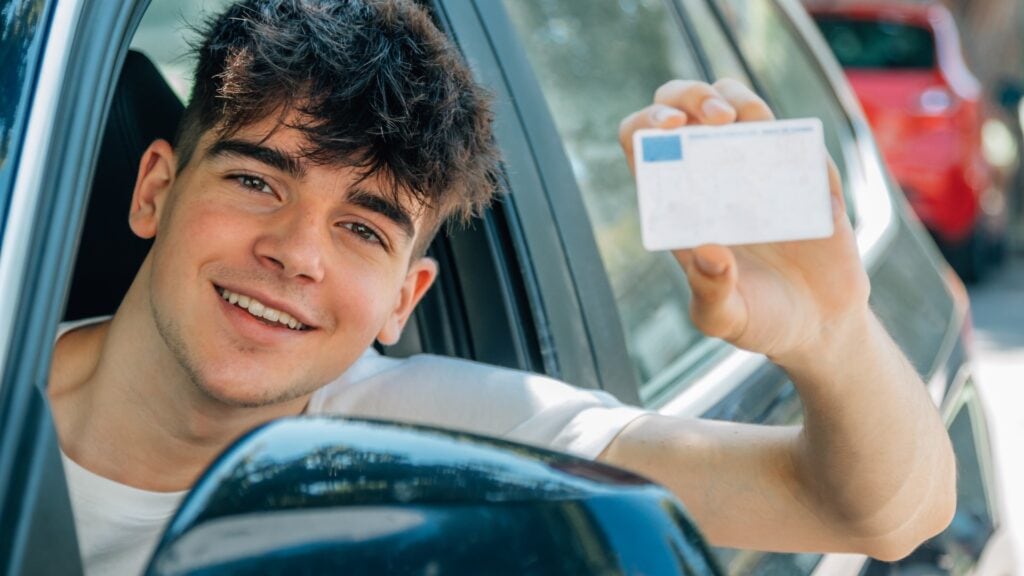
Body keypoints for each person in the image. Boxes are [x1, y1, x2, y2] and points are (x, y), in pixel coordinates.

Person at [46, 0, 956, 574]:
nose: (297, 254)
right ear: (155, 188)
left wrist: (830, 334)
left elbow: (878, 514)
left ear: (406, 300)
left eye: (363, 229)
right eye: (257, 181)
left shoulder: (425, 438)